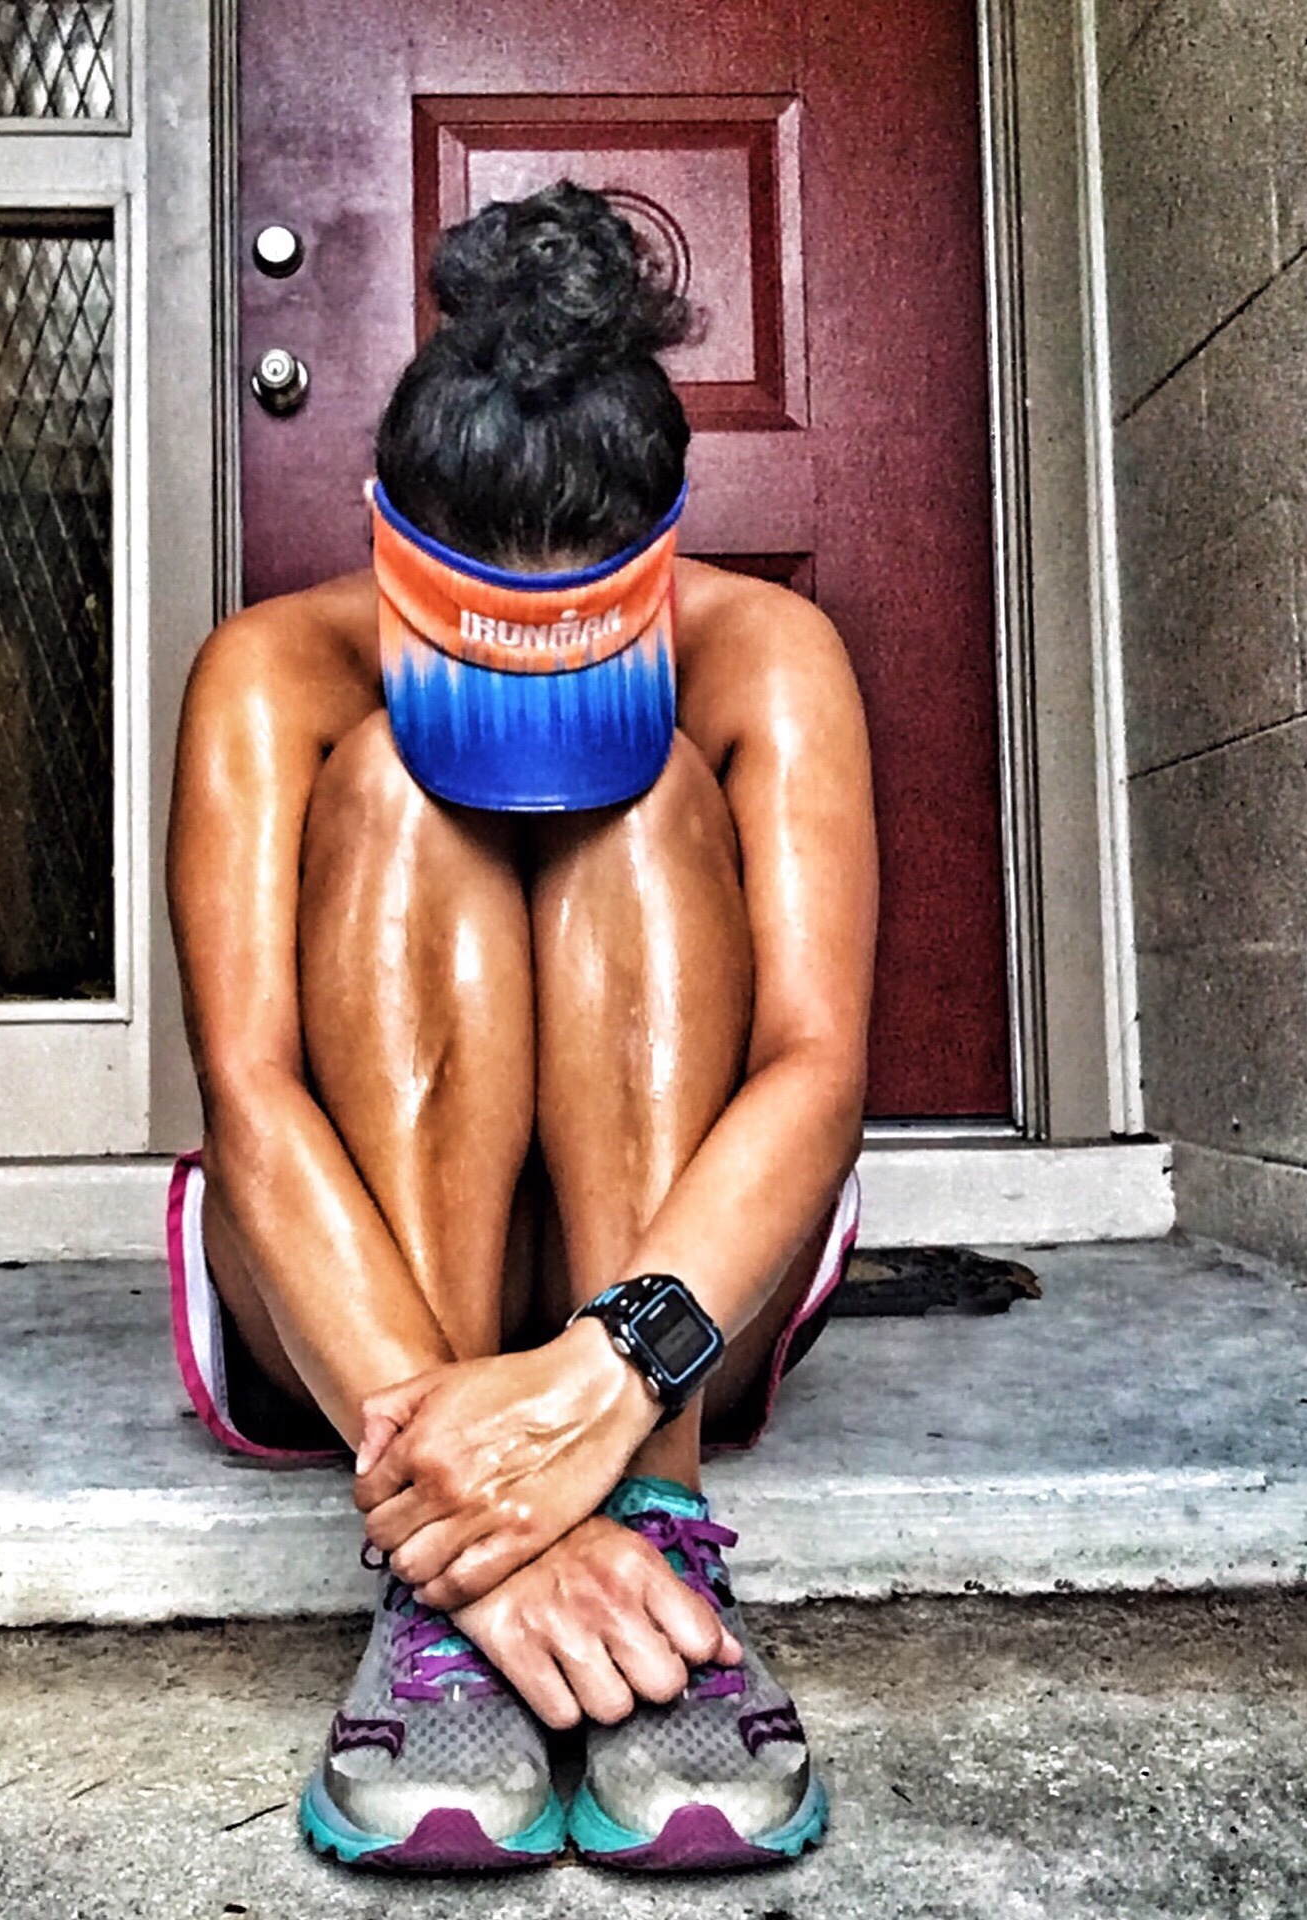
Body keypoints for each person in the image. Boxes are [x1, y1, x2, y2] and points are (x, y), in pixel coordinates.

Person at [165, 181, 877, 1873]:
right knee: (403, 792)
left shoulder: (772, 656)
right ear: (383, 535)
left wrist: (611, 1375)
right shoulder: (267, 674)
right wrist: (474, 1509)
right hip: (350, 1302)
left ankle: (658, 1511)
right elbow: (252, 1091)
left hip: (672, 1307)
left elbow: (814, 1068)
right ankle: (444, 1588)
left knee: (645, 808)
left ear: (665, 549)